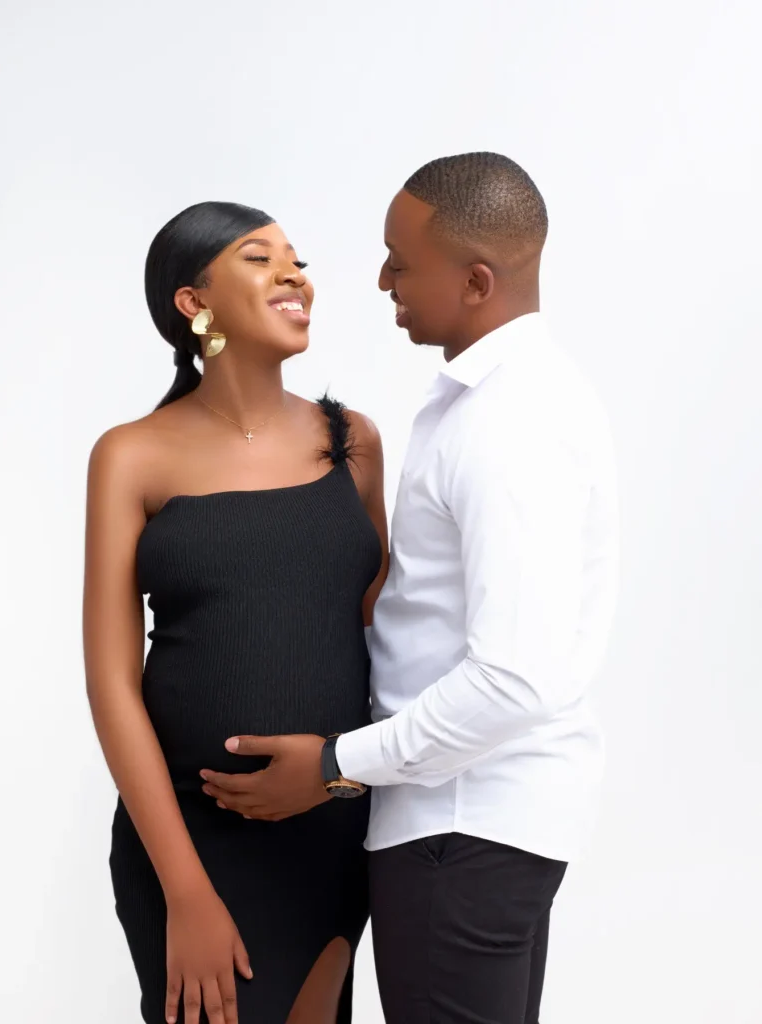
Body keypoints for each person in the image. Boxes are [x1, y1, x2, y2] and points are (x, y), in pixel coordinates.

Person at [201, 154, 619, 1024]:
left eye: (400, 261)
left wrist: (332, 766)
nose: (382, 280)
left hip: (458, 828)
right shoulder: (495, 401)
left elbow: (512, 680)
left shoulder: (508, 420)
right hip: (466, 827)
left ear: (475, 282)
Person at [83, 201, 388, 1024]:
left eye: (297, 260)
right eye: (259, 259)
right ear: (194, 303)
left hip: (329, 829)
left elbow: (383, 642)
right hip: (190, 838)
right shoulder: (131, 454)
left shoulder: (352, 442)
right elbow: (112, 685)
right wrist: (185, 891)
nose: (294, 275)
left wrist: (349, 775)